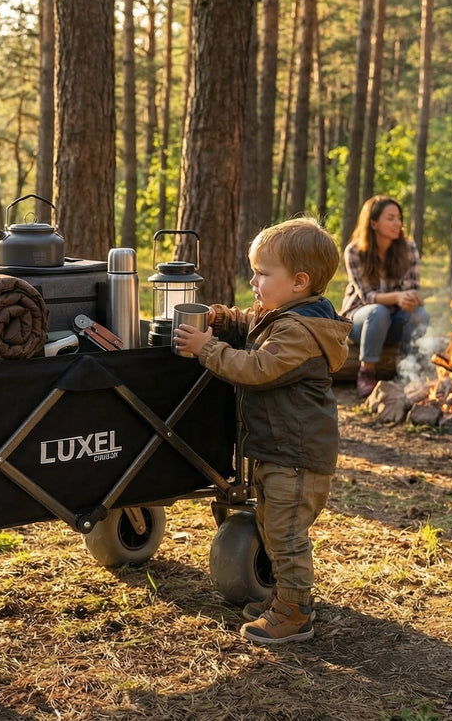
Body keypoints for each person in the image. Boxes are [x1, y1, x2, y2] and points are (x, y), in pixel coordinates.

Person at [173, 218, 351, 646]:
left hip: (297, 455)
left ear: (299, 282)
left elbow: (257, 368)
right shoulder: (285, 315)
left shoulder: (299, 332)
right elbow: (252, 321)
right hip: (280, 450)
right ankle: (281, 600)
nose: (253, 281)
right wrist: (222, 318)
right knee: (273, 525)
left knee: (287, 536)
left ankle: (294, 613)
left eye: (263, 274)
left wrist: (207, 349)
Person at [340, 196, 429, 399]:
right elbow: (367, 296)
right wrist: (398, 296)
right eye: (390, 218)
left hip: (394, 321)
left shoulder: (409, 249)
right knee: (378, 312)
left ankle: (408, 372)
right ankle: (366, 372)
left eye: (399, 218)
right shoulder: (354, 251)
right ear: (373, 223)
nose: (398, 223)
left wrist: (412, 299)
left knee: (420, 314)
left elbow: (413, 289)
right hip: (360, 322)